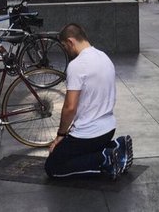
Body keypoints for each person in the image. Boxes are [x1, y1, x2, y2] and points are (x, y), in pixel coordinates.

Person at [45, 23, 133, 179]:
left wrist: (61, 135)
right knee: (75, 153)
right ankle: (115, 146)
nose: (66, 51)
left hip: (88, 134)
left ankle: (105, 160)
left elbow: (70, 108)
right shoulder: (104, 57)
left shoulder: (77, 65)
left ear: (71, 41)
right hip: (108, 129)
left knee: (53, 166)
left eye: (65, 46)